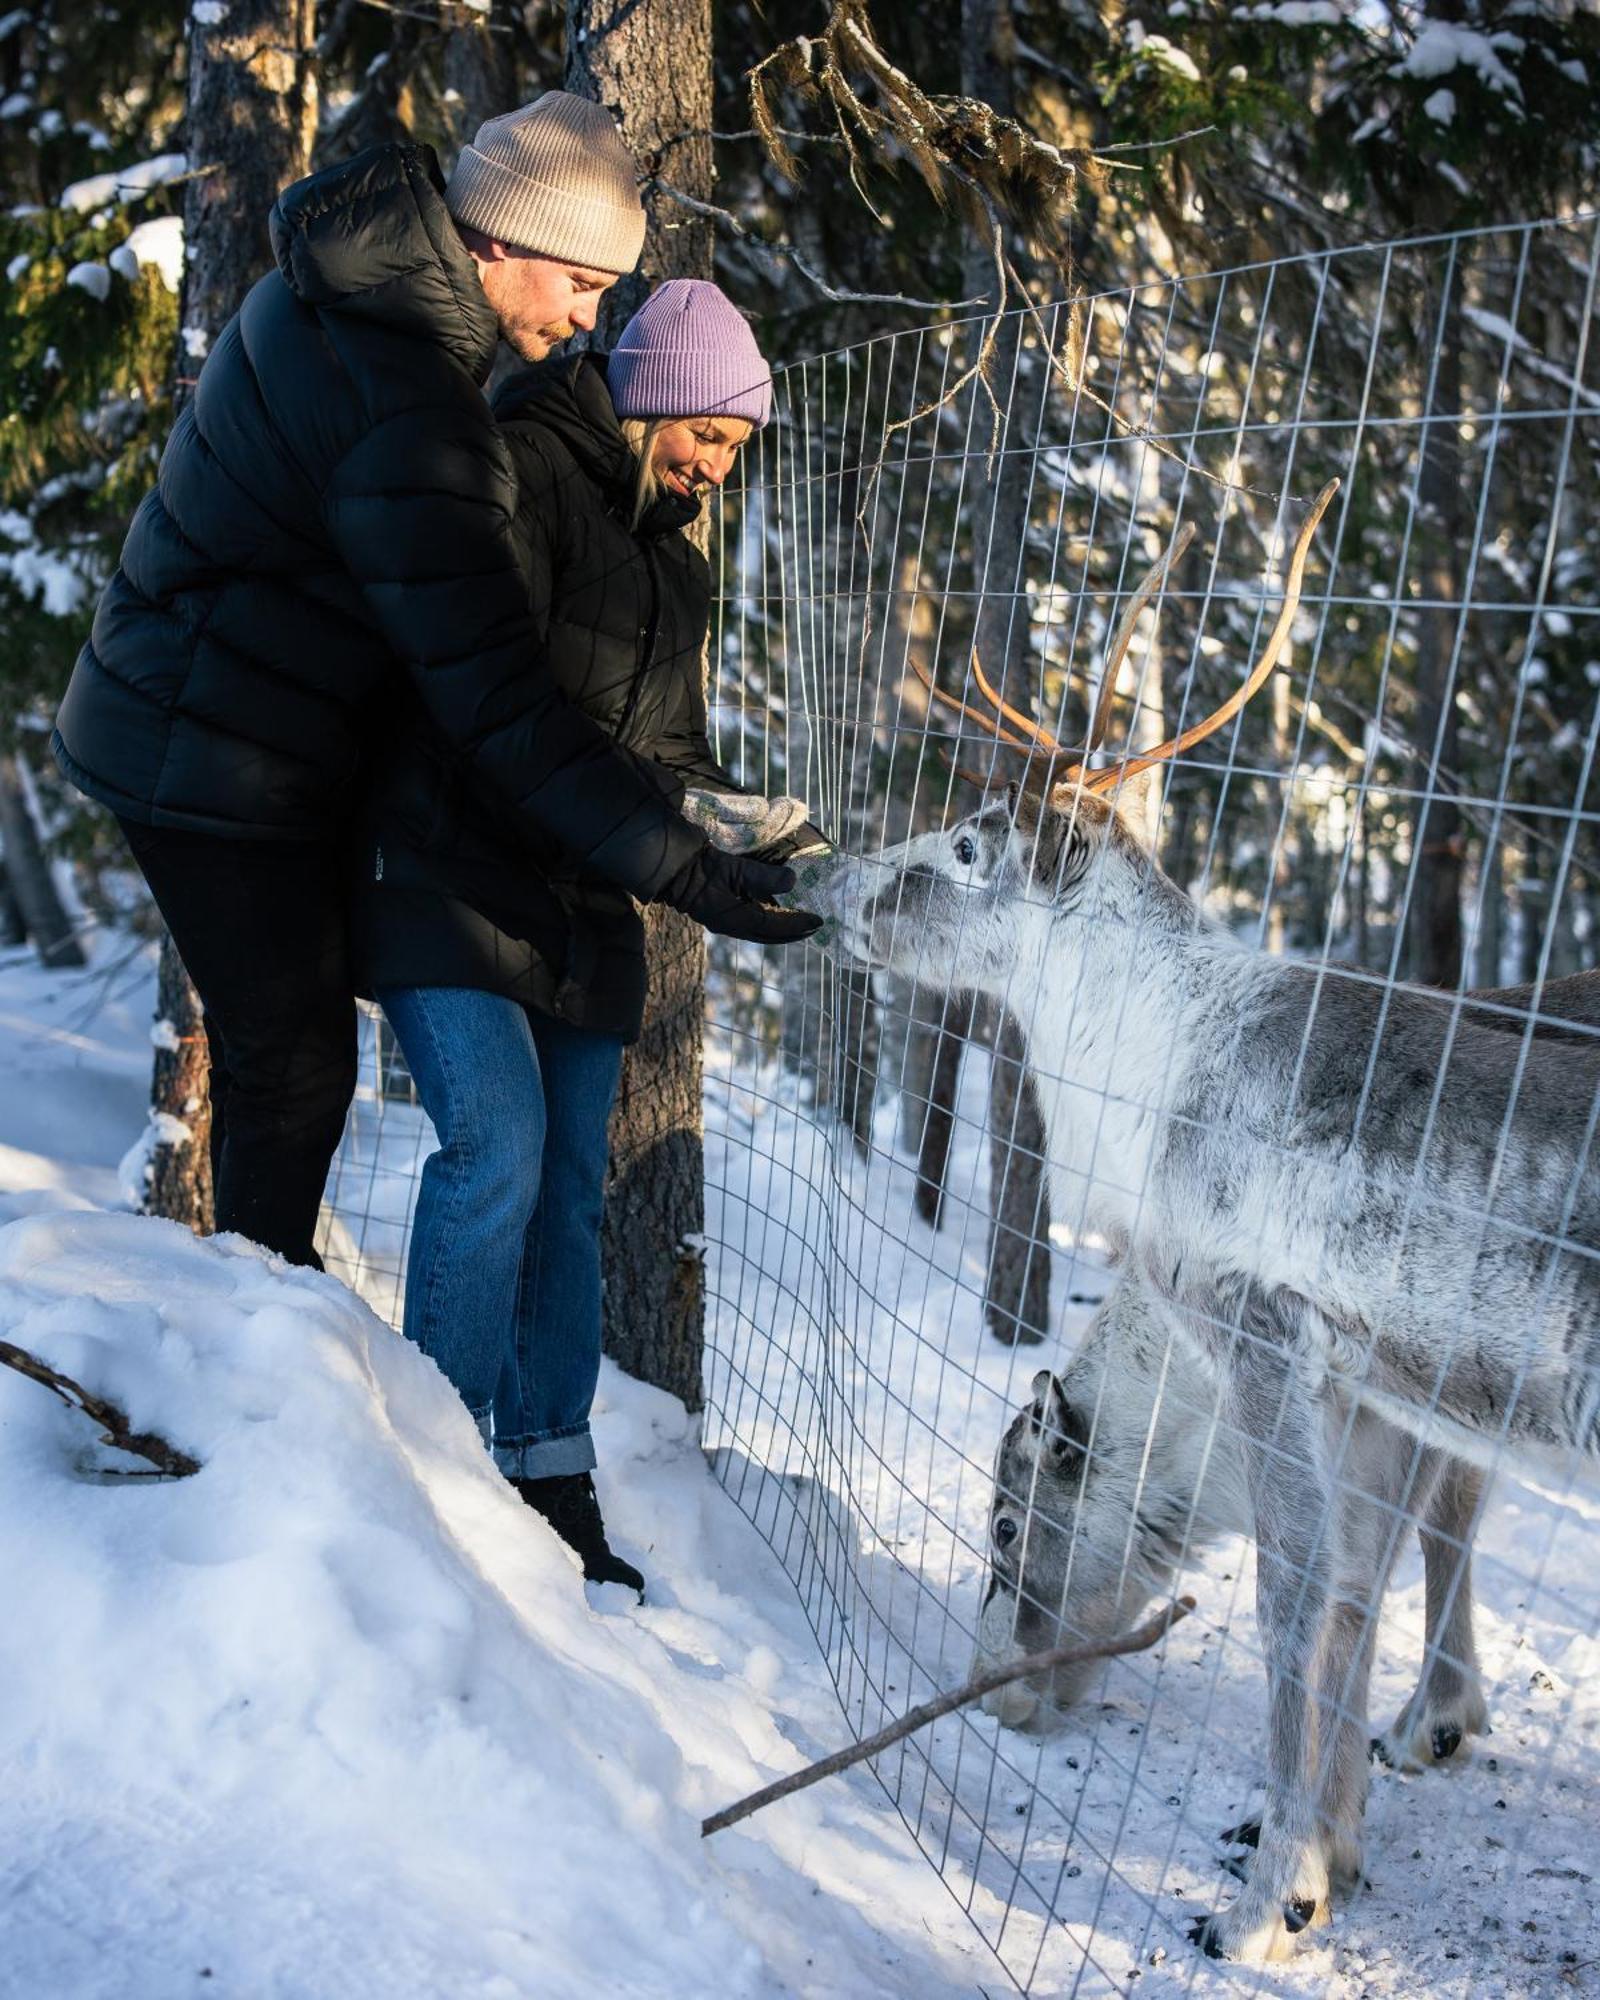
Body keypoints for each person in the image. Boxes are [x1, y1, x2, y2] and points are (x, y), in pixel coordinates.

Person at [50, 97, 807, 1270]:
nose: (589, 319)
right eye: (578, 284)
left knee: (289, 1060)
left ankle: (251, 1342)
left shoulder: (353, 299)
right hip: (208, 746)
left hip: (220, 720)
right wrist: (686, 871)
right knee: (293, 1064)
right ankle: (250, 1368)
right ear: (499, 243)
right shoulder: (409, 400)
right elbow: (496, 696)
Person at [351, 280, 816, 1593]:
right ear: (651, 399)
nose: (719, 467)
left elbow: (654, 759)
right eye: (709, 436)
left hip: (583, 901)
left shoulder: (678, 564)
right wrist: (677, 858)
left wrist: (740, 836)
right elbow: (502, 719)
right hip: (447, 871)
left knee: (567, 1191)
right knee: (494, 1146)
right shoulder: (520, 475)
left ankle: (549, 1480)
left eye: (735, 447)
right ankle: (430, 1479)